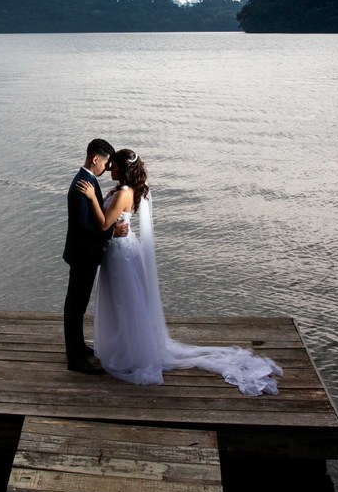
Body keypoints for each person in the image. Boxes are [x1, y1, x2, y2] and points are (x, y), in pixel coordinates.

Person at [76, 148, 282, 395]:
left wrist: (91, 197)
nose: (110, 168)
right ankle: (124, 348)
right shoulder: (123, 190)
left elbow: (103, 224)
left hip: (121, 253)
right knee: (122, 303)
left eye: (115, 166)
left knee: (125, 304)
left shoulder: (123, 193)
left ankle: (130, 355)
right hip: (119, 250)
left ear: (123, 169)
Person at [62, 138, 124, 375]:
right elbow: (82, 226)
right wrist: (110, 231)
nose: (107, 169)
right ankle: (75, 359)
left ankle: (78, 346)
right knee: (75, 305)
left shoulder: (89, 180)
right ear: (96, 158)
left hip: (84, 253)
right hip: (82, 254)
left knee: (78, 304)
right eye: (106, 164)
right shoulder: (82, 185)